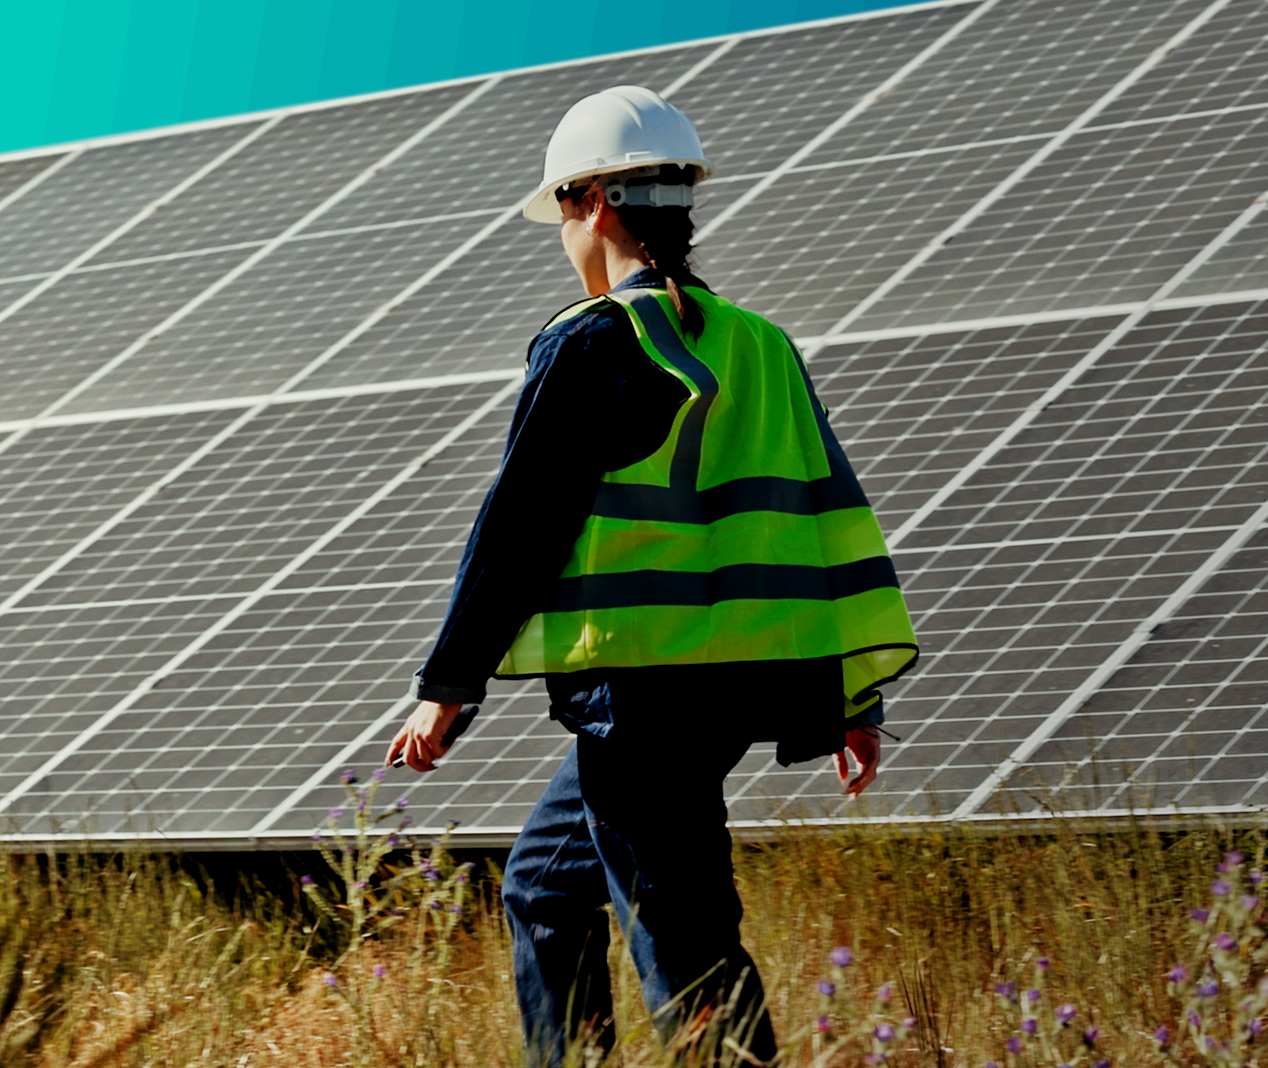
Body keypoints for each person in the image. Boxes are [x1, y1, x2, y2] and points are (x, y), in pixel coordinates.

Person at [386, 85, 918, 1067]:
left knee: (682, 939)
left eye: (561, 214)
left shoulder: (596, 341)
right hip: (732, 686)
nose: (562, 237)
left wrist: (447, 687)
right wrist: (855, 690)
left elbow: (521, 526)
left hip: (642, 696)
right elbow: (831, 520)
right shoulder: (763, 346)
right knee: (546, 884)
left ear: (590, 201)